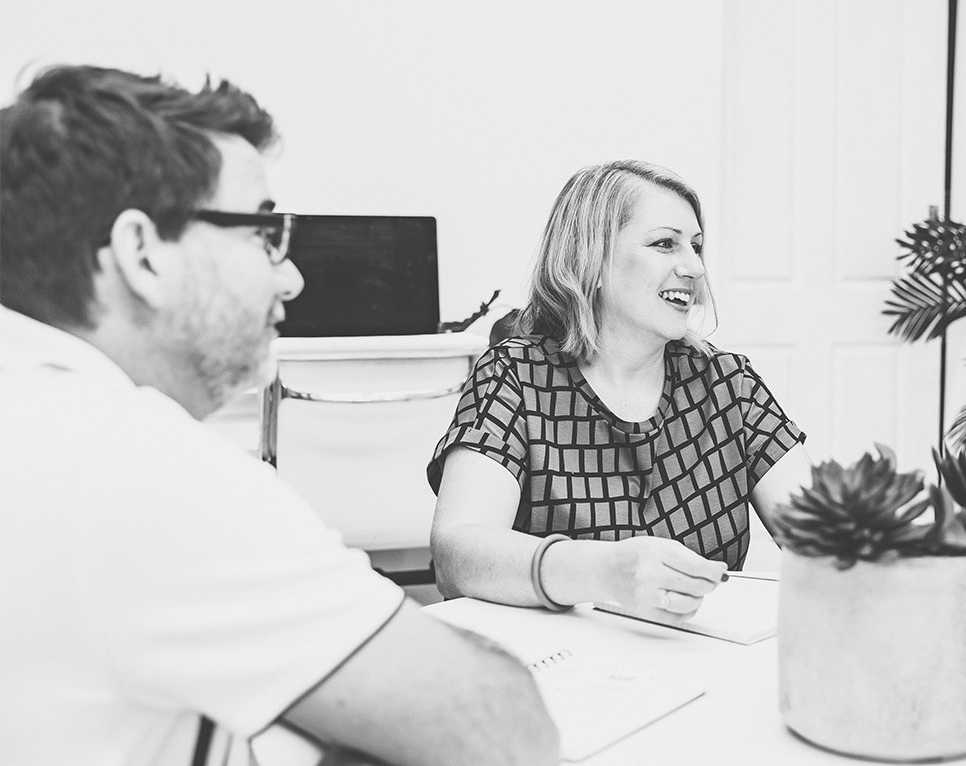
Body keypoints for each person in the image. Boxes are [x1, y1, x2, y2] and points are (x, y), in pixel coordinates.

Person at [0, 65, 557, 766]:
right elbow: (503, 734)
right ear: (142, 253)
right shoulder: (141, 470)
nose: (290, 277)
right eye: (265, 233)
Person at [428, 160, 812, 619]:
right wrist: (605, 571)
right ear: (589, 259)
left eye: (697, 247)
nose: (694, 268)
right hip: (560, 666)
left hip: (697, 663)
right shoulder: (515, 375)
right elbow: (457, 552)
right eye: (665, 244)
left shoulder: (730, 383)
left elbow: (822, 537)